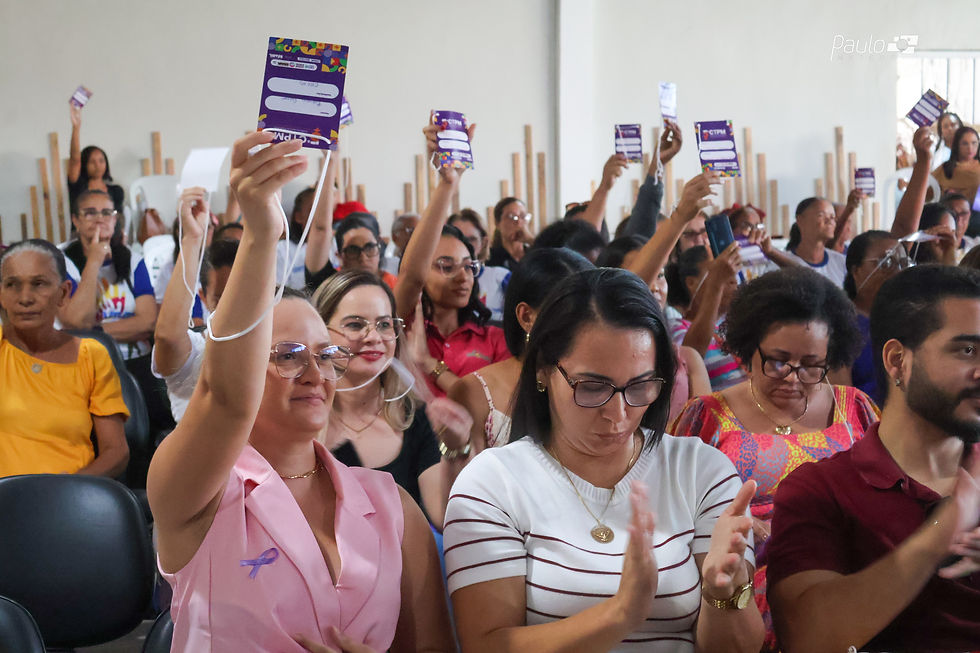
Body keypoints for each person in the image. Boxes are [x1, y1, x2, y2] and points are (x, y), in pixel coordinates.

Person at [147, 131, 453, 652]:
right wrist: (263, 232)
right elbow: (224, 401)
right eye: (288, 356)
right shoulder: (200, 494)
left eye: (326, 354)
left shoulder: (391, 505)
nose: (315, 372)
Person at [444, 267, 764, 652]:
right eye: (592, 387)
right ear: (544, 371)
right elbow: (487, 645)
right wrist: (620, 614)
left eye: (640, 386)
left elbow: (736, 647)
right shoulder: (493, 483)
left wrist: (722, 593)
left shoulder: (700, 470)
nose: (618, 414)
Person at [767, 265, 980, 652]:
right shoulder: (820, 490)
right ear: (898, 360)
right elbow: (807, 638)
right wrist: (940, 534)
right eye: (967, 350)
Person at [671, 267, 879, 651]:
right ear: (748, 348)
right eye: (778, 361)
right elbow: (673, 512)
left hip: (845, 583)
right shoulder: (709, 416)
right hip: (738, 589)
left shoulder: (856, 410)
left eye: (812, 364)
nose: (793, 378)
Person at [312, 270, 471, 530]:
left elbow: (443, 517)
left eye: (384, 325)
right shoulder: (303, 419)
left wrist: (457, 450)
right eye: (355, 324)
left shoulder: (413, 417)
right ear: (321, 332)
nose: (374, 337)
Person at [395, 124, 509, 399]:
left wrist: (430, 365)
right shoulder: (401, 330)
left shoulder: (494, 339)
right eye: (446, 266)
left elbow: (493, 406)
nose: (464, 277)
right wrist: (448, 184)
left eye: (469, 266)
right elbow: (412, 276)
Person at [0, 239, 129, 477]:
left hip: (70, 503)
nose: (25, 297)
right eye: (12, 285)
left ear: (63, 292)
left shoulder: (91, 355)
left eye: (39, 284)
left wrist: (68, 492)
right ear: (2, 295)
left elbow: (116, 451)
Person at [448, 248, 594, 452]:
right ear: (526, 316)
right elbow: (462, 479)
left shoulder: (602, 383)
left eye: (590, 317)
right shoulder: (475, 391)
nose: (584, 330)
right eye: (570, 316)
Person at [59, 189, 169, 431]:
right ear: (76, 220)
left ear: (115, 218)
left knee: (157, 419)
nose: (100, 218)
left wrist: (95, 329)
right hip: (84, 364)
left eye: (107, 212)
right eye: (90, 213)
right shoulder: (61, 260)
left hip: (135, 362)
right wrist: (95, 261)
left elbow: (148, 322)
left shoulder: (133, 259)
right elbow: (76, 322)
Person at [152, 187, 239, 423]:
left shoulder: (281, 349)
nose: (238, 309)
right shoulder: (197, 351)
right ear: (204, 296)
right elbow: (168, 337)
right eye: (224, 298)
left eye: (247, 297)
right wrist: (192, 239)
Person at [841, 230, 908, 404]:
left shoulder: (908, 318)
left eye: (902, 263)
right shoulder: (840, 323)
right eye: (886, 263)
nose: (897, 271)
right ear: (856, 270)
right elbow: (842, 402)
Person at [673, 244, 747, 391]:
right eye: (722, 272)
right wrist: (716, 284)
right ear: (691, 283)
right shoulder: (677, 328)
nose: (732, 279)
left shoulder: (736, 324)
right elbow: (688, 361)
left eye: (731, 271)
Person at [449, 208, 510, 323]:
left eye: (471, 240)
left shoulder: (501, 277)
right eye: (458, 238)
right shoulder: (438, 280)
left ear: (483, 243)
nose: (465, 245)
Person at [67, 103, 124, 213]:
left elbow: (118, 220)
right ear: (84, 165)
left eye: (101, 161)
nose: (97, 165)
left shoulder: (116, 191)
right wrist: (76, 128)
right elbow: (74, 160)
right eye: (92, 162)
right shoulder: (78, 187)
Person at [785, 197, 846, 286]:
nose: (830, 221)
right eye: (821, 215)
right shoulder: (779, 262)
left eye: (833, 217)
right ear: (800, 221)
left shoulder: (841, 263)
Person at [933, 125, 980, 205]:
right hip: (950, 213)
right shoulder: (944, 168)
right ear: (956, 145)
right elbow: (929, 189)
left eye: (974, 143)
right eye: (965, 144)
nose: (970, 148)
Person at [487, 196, 534, 269]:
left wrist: (530, 240)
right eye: (512, 217)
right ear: (497, 223)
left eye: (522, 216)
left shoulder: (534, 253)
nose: (518, 222)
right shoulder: (490, 258)